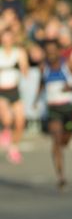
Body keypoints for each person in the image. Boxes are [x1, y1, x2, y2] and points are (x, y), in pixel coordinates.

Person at [38, 40, 72, 190]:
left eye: (53, 51)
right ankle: (61, 175)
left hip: (68, 108)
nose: (51, 54)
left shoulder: (68, 65)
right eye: (48, 51)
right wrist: (35, 100)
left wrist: (71, 86)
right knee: (56, 141)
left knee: (65, 140)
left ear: (59, 52)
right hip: (53, 109)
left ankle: (67, 135)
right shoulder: (43, 67)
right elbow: (41, 84)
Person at [0, 29, 29, 164]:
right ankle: (5, 130)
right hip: (2, 91)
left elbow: (25, 70)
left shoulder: (19, 52)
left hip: (14, 90)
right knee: (7, 118)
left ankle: (14, 147)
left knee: (20, 121)